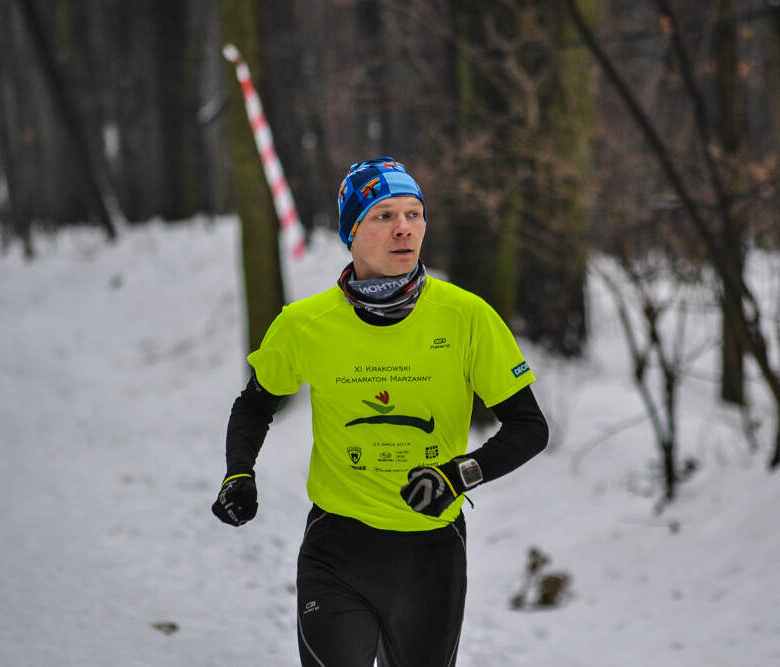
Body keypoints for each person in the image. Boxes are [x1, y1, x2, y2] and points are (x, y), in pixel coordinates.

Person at [212, 157, 548, 667]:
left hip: (430, 553)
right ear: (351, 231)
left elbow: (529, 426)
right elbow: (254, 406)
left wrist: (458, 475)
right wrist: (239, 473)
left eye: (414, 214)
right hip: (337, 546)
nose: (404, 229)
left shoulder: (467, 317)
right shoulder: (305, 325)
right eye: (383, 216)